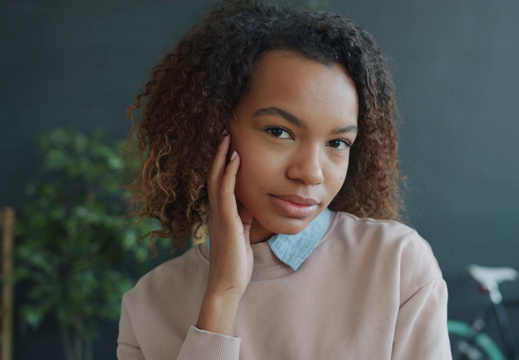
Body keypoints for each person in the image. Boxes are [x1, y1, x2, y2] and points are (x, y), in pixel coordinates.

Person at [118, 1, 451, 359]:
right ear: (213, 128)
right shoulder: (148, 306)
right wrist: (221, 297)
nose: (310, 172)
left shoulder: (396, 265)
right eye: (279, 131)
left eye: (337, 143)